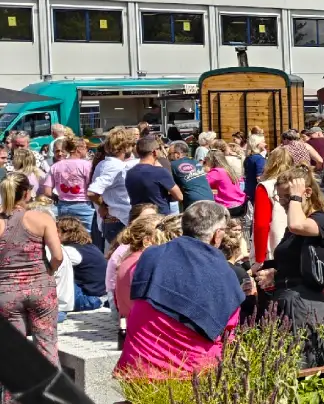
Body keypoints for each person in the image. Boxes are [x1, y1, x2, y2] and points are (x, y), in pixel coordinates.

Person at [115, 202, 244, 379]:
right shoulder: (225, 274)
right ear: (217, 235)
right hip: (190, 376)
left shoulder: (150, 256)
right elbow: (228, 333)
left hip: (136, 369)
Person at [254, 167, 324, 368]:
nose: (282, 202)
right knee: (288, 365)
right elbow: (292, 260)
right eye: (280, 196)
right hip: (288, 300)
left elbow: (297, 225)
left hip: (306, 303)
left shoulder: (320, 220)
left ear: (307, 193)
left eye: (287, 196)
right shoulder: (292, 228)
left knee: (306, 366)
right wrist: (274, 273)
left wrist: (296, 198)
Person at [0, 173, 63, 404]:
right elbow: (57, 256)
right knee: (47, 347)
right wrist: (48, 271)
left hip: (6, 291)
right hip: (40, 288)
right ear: (27, 193)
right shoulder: (41, 218)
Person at [89, 128, 138, 247]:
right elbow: (92, 192)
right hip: (117, 220)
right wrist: (103, 205)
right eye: (131, 145)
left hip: (117, 220)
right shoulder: (113, 166)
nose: (132, 148)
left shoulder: (107, 163)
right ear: (125, 147)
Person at [55, 216, 107, 315]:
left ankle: (58, 313)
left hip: (88, 299)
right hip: (99, 297)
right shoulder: (89, 247)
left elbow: (51, 263)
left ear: (65, 232)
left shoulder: (71, 251)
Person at [251, 147, 293, 265]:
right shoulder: (299, 183)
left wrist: (259, 258)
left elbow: (261, 225)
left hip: (273, 248)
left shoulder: (265, 187)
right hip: (295, 244)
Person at [125, 136, 182, 214]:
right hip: (159, 217)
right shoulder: (160, 172)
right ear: (154, 152)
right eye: (159, 148)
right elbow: (179, 196)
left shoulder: (130, 173)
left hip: (138, 216)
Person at [49, 136, 96, 229]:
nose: (87, 150)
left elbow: (47, 190)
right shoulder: (87, 165)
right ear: (78, 149)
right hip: (83, 205)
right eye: (86, 147)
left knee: (67, 233)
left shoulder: (56, 166)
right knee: (87, 233)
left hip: (63, 205)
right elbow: (92, 187)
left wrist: (58, 197)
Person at [168, 141, 215, 210]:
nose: (168, 156)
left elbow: (171, 186)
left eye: (170, 154)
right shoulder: (195, 162)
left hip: (194, 202)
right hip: (209, 198)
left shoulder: (173, 164)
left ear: (177, 154)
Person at [204, 148, 248, 219]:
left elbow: (202, 183)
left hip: (228, 206)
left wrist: (205, 169)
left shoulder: (217, 172)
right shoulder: (228, 169)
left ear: (210, 160)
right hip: (240, 203)